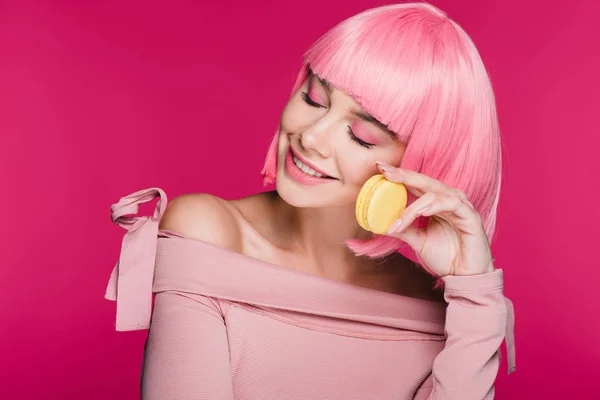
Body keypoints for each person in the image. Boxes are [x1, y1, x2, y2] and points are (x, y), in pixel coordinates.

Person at [105, 2, 516, 399]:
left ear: (425, 166)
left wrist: (473, 290)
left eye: (362, 135)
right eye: (314, 98)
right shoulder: (207, 229)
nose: (311, 136)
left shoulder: (437, 304)